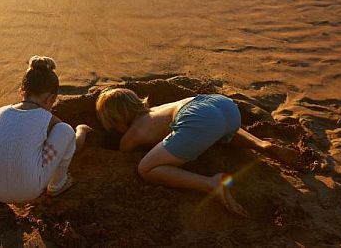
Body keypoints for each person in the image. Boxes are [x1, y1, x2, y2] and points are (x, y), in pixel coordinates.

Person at [96, 88, 302, 216]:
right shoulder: (156, 110)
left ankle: (211, 184)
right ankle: (261, 145)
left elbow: (122, 152)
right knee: (217, 128)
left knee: (146, 168)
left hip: (197, 118)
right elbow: (208, 118)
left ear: (115, 121)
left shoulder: (134, 131)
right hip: (220, 104)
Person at [0, 55, 90, 203]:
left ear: (21, 91)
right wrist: (81, 130)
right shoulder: (47, 118)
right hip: (28, 191)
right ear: (51, 99)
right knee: (65, 130)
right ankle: (57, 185)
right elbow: (73, 144)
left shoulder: (1, 112)